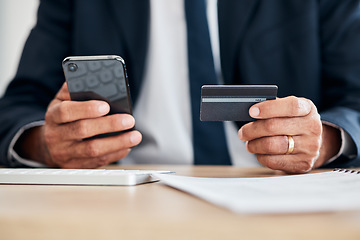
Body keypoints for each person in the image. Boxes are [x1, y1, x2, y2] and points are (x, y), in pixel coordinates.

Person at [0, 0, 359, 173]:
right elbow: (16, 109)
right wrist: (48, 145)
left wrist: (323, 140)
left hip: (275, 192)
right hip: (125, 196)